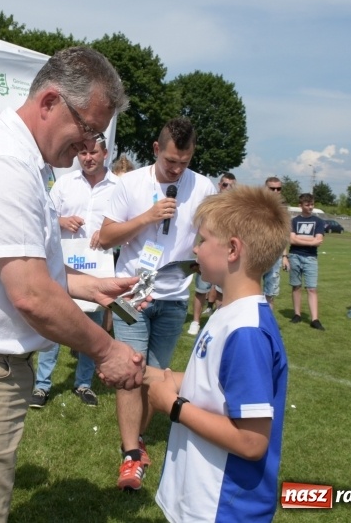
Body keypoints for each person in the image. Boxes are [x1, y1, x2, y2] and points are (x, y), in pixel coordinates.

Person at [0, 46, 144, 522]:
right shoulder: (3, 164)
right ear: (51, 101)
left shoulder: (21, 160)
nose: (89, 144)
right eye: (89, 129)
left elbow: (17, 269)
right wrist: (107, 350)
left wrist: (87, 285)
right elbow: (30, 293)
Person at [145, 185, 289, 522]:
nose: (195, 247)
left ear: (233, 249)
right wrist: (146, 374)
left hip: (223, 508)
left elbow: (252, 441)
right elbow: (215, 383)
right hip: (199, 497)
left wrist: (174, 406)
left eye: (203, 239)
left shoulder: (247, 331)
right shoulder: (227, 311)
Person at [99, 116, 216, 491]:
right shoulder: (129, 183)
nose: (177, 169)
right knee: (131, 372)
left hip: (175, 296)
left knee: (156, 373)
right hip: (133, 292)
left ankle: (136, 438)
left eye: (184, 162)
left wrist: (203, 256)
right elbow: (104, 236)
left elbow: (210, 233)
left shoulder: (203, 186)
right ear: (155, 150)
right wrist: (147, 217)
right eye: (170, 162)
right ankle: (131, 455)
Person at [31, 140, 118, 408]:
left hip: (98, 266)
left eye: (93, 152)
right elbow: (43, 217)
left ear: (105, 153)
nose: (88, 157)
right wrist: (62, 221)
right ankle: (42, 386)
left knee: (91, 329)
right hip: (65, 264)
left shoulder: (118, 187)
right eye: (83, 152)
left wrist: (109, 233)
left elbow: (126, 224)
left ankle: (83, 384)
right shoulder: (65, 183)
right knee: (55, 324)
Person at [187, 172, 237, 335]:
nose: (227, 188)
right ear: (219, 185)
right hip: (208, 253)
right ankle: (195, 322)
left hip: (226, 256)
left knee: (223, 292)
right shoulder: (210, 205)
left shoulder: (236, 209)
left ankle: (218, 323)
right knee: (201, 289)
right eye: (224, 184)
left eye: (231, 185)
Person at [288, 193, 326, 330]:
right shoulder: (294, 221)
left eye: (312, 204)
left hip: (310, 258)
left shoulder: (318, 221)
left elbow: (319, 241)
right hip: (294, 256)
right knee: (296, 286)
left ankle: (314, 319)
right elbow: (291, 240)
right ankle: (297, 314)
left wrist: (300, 239)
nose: (310, 207)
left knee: (312, 288)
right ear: (301, 206)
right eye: (307, 205)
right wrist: (311, 241)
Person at [262, 177, 288, 309]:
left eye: (279, 188)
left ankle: (268, 324)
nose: (276, 191)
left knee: (270, 293)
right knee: (250, 291)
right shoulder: (257, 206)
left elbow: (283, 236)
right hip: (257, 254)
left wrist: (284, 256)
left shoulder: (282, 210)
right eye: (272, 188)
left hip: (275, 256)